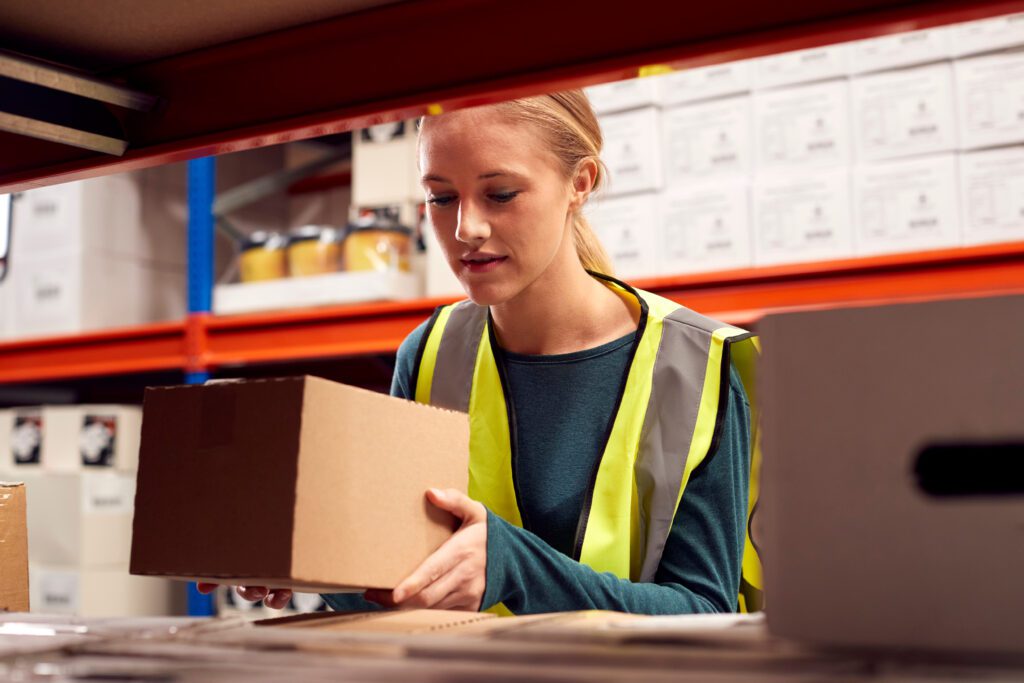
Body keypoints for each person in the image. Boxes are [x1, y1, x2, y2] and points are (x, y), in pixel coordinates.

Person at [200, 90, 761, 615]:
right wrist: (315, 565)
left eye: (500, 194)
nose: (466, 227)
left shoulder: (697, 365)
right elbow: (408, 580)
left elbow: (706, 614)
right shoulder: (429, 353)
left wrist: (515, 568)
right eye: (441, 198)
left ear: (580, 182)